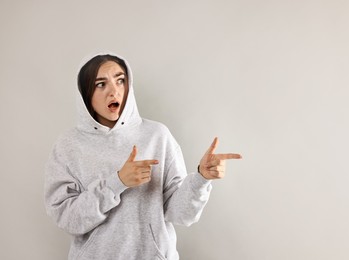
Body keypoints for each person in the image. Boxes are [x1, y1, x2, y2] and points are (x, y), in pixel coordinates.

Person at [44, 53, 242, 260]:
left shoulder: (157, 136)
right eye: (101, 84)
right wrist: (117, 182)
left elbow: (181, 214)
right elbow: (68, 220)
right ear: (86, 93)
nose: (114, 90)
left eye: (120, 81)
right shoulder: (68, 146)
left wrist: (201, 178)